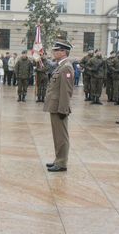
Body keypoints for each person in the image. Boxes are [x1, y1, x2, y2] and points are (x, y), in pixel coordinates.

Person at [43, 37, 74, 173]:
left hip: (59, 108)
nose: (54, 52)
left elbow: (66, 91)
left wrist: (63, 109)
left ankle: (61, 163)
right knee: (57, 135)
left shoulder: (66, 67)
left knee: (61, 136)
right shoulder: (61, 66)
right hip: (55, 106)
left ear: (63, 52)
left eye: (56, 50)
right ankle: (58, 159)